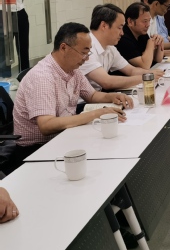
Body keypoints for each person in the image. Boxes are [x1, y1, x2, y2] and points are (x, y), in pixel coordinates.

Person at [11, 23, 131, 167]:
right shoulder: (42, 77)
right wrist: (97, 113)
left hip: (64, 137)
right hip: (37, 150)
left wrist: (112, 97)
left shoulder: (73, 69)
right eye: (83, 52)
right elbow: (46, 125)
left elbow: (92, 96)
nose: (86, 58)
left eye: (88, 53)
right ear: (64, 48)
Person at [79, 4, 163, 91]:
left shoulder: (110, 47)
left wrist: (153, 74)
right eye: (119, 28)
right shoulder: (86, 48)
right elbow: (107, 82)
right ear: (104, 26)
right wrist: (146, 77)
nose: (122, 33)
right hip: (86, 99)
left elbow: (131, 70)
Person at [115, 3, 164, 69]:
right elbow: (145, 65)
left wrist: (159, 42)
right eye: (145, 21)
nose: (148, 25)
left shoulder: (141, 34)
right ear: (130, 22)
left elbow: (158, 59)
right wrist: (151, 44)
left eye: (149, 21)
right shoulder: (123, 38)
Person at [7, 0, 30, 72]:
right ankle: (5, 76)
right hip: (5, 15)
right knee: (5, 48)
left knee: (23, 45)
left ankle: (24, 73)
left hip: (20, 14)